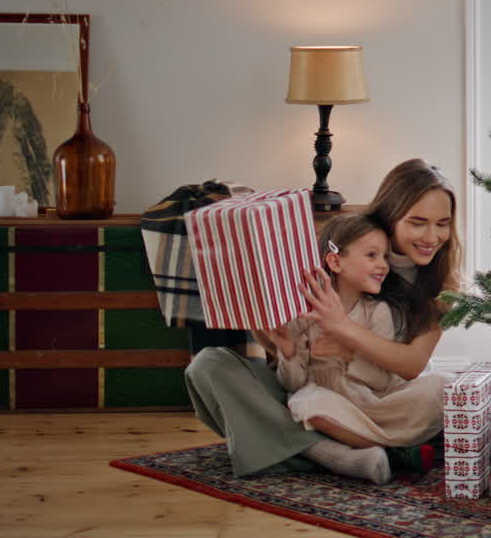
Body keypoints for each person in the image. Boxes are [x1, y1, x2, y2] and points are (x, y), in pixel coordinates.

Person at [184, 159, 462, 481]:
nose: (432, 236)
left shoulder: (443, 284)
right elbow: (290, 346)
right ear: (391, 216)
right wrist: (265, 323)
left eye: (443, 223)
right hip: (309, 386)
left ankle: (297, 446)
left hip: (380, 398)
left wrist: (343, 332)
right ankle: (332, 454)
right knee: (208, 367)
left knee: (445, 388)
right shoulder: (344, 245)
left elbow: (412, 364)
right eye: (418, 222)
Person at [265, 213, 444, 469]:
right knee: (305, 403)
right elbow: (294, 383)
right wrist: (288, 352)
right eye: (372, 255)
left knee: (441, 386)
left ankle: (374, 444)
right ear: (336, 262)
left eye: (385, 257)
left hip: (375, 403)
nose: (383, 265)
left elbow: (382, 381)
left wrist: (349, 357)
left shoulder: (377, 311)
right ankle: (396, 452)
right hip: (333, 405)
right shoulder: (306, 315)